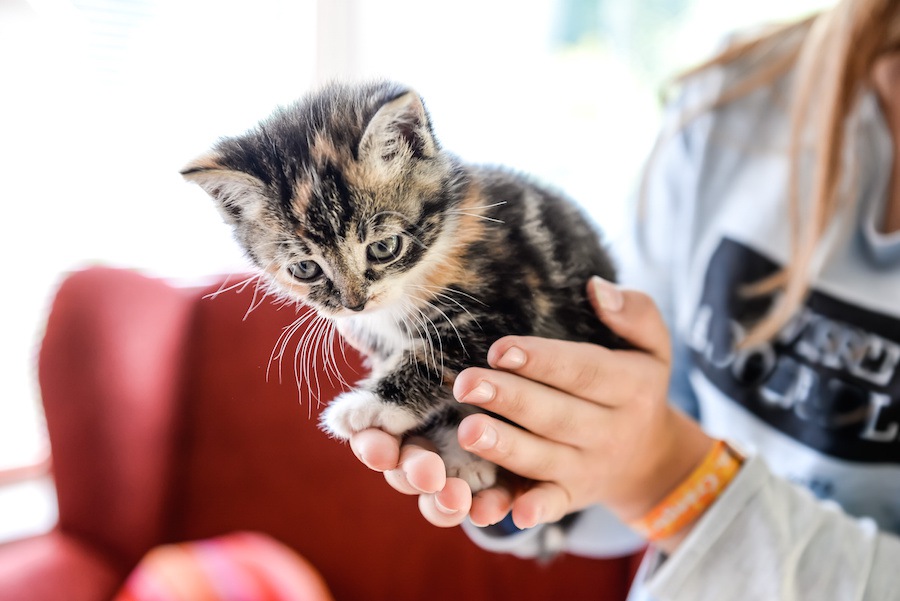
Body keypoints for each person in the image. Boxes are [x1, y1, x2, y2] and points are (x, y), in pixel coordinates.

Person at [349, 0, 900, 598]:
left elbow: (652, 454)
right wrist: (529, 470)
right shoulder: (735, 96)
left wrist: (665, 471)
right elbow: (633, 407)